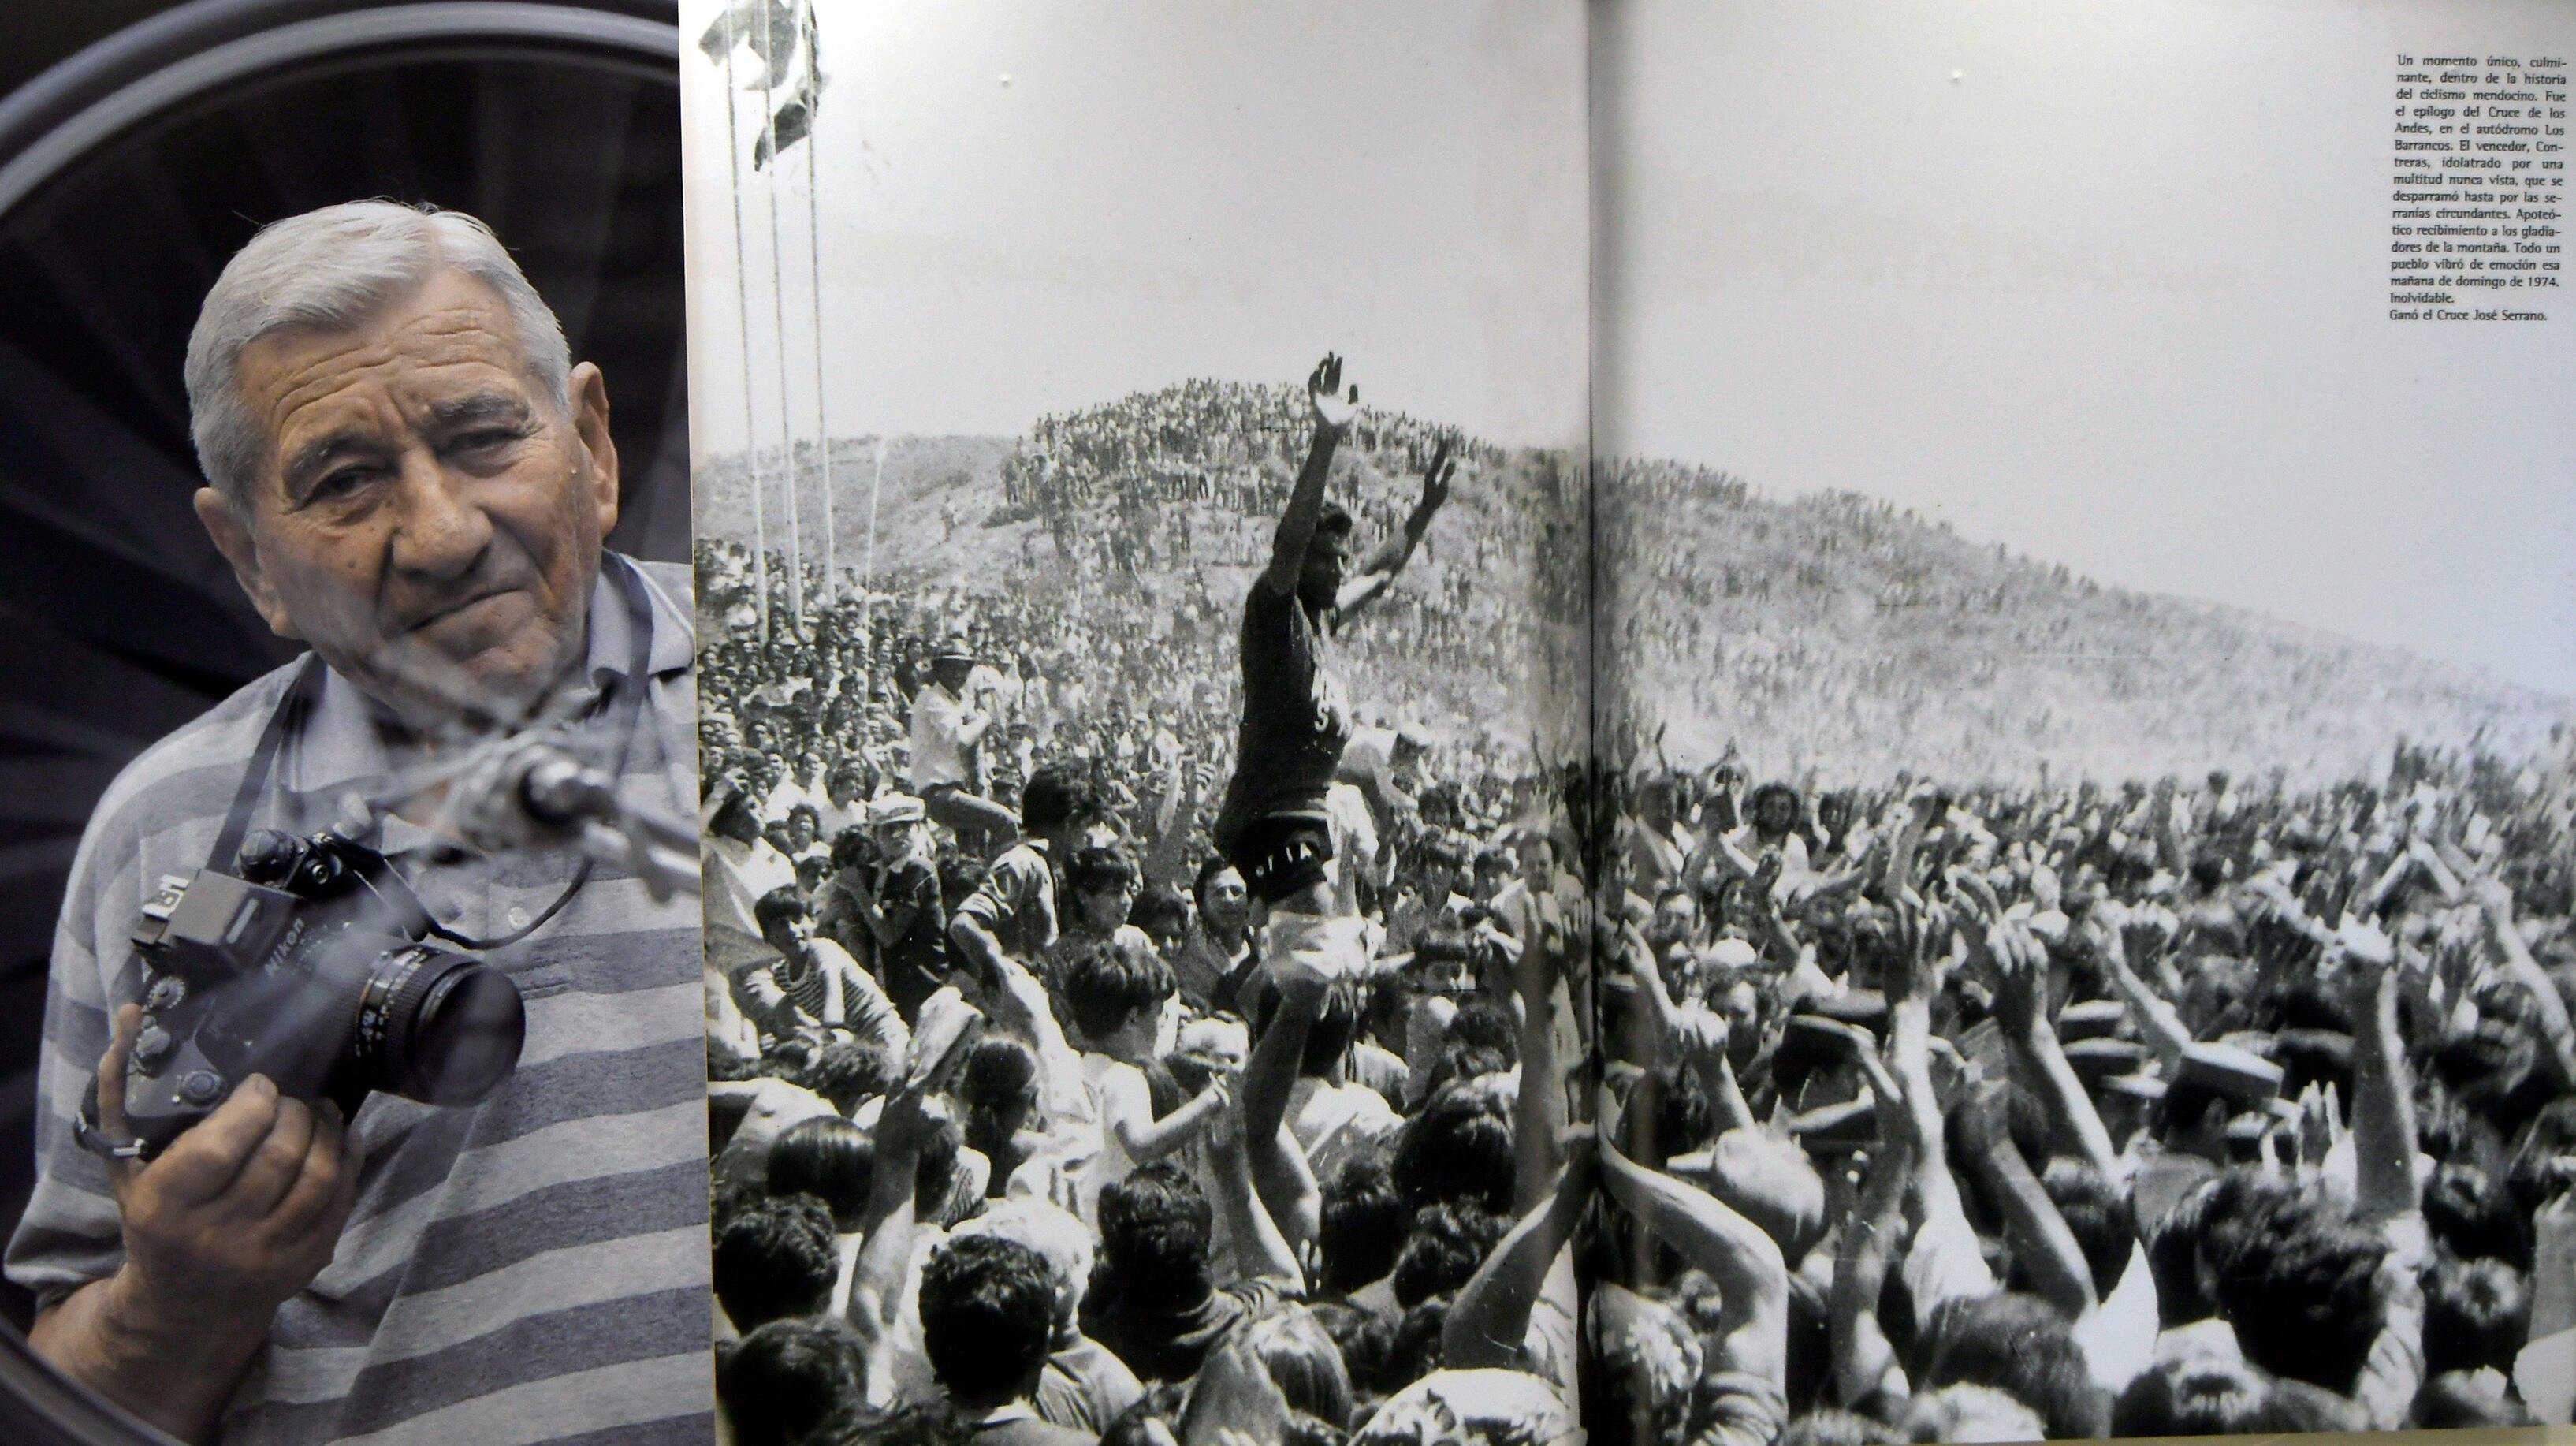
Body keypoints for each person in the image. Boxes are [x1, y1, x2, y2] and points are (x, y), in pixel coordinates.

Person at [6, 202, 712, 1444]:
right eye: (344, 480)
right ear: (250, 561)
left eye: (485, 435)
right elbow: (66, 1406)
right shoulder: (165, 833)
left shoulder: (776, 681)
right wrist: (172, 1308)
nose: (439, 533)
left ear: (593, 444)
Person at [1209, 352, 1452, 932]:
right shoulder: (1275, 614)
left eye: (1343, 558)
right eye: (1327, 558)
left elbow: (1382, 574)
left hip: (1304, 818)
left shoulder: (1325, 621)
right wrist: (1326, 439)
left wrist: (1422, 512)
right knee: (1320, 958)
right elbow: (1289, 546)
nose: (1340, 569)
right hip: (1267, 814)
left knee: (1301, 968)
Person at [912, 637, 1020, 850]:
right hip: (938, 793)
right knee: (1004, 821)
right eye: (951, 668)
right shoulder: (932, 699)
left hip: (959, 791)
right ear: (938, 669)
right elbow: (961, 741)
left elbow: (973, 744)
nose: (958, 674)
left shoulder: (958, 700)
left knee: (973, 850)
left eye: (963, 669)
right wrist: (984, 718)